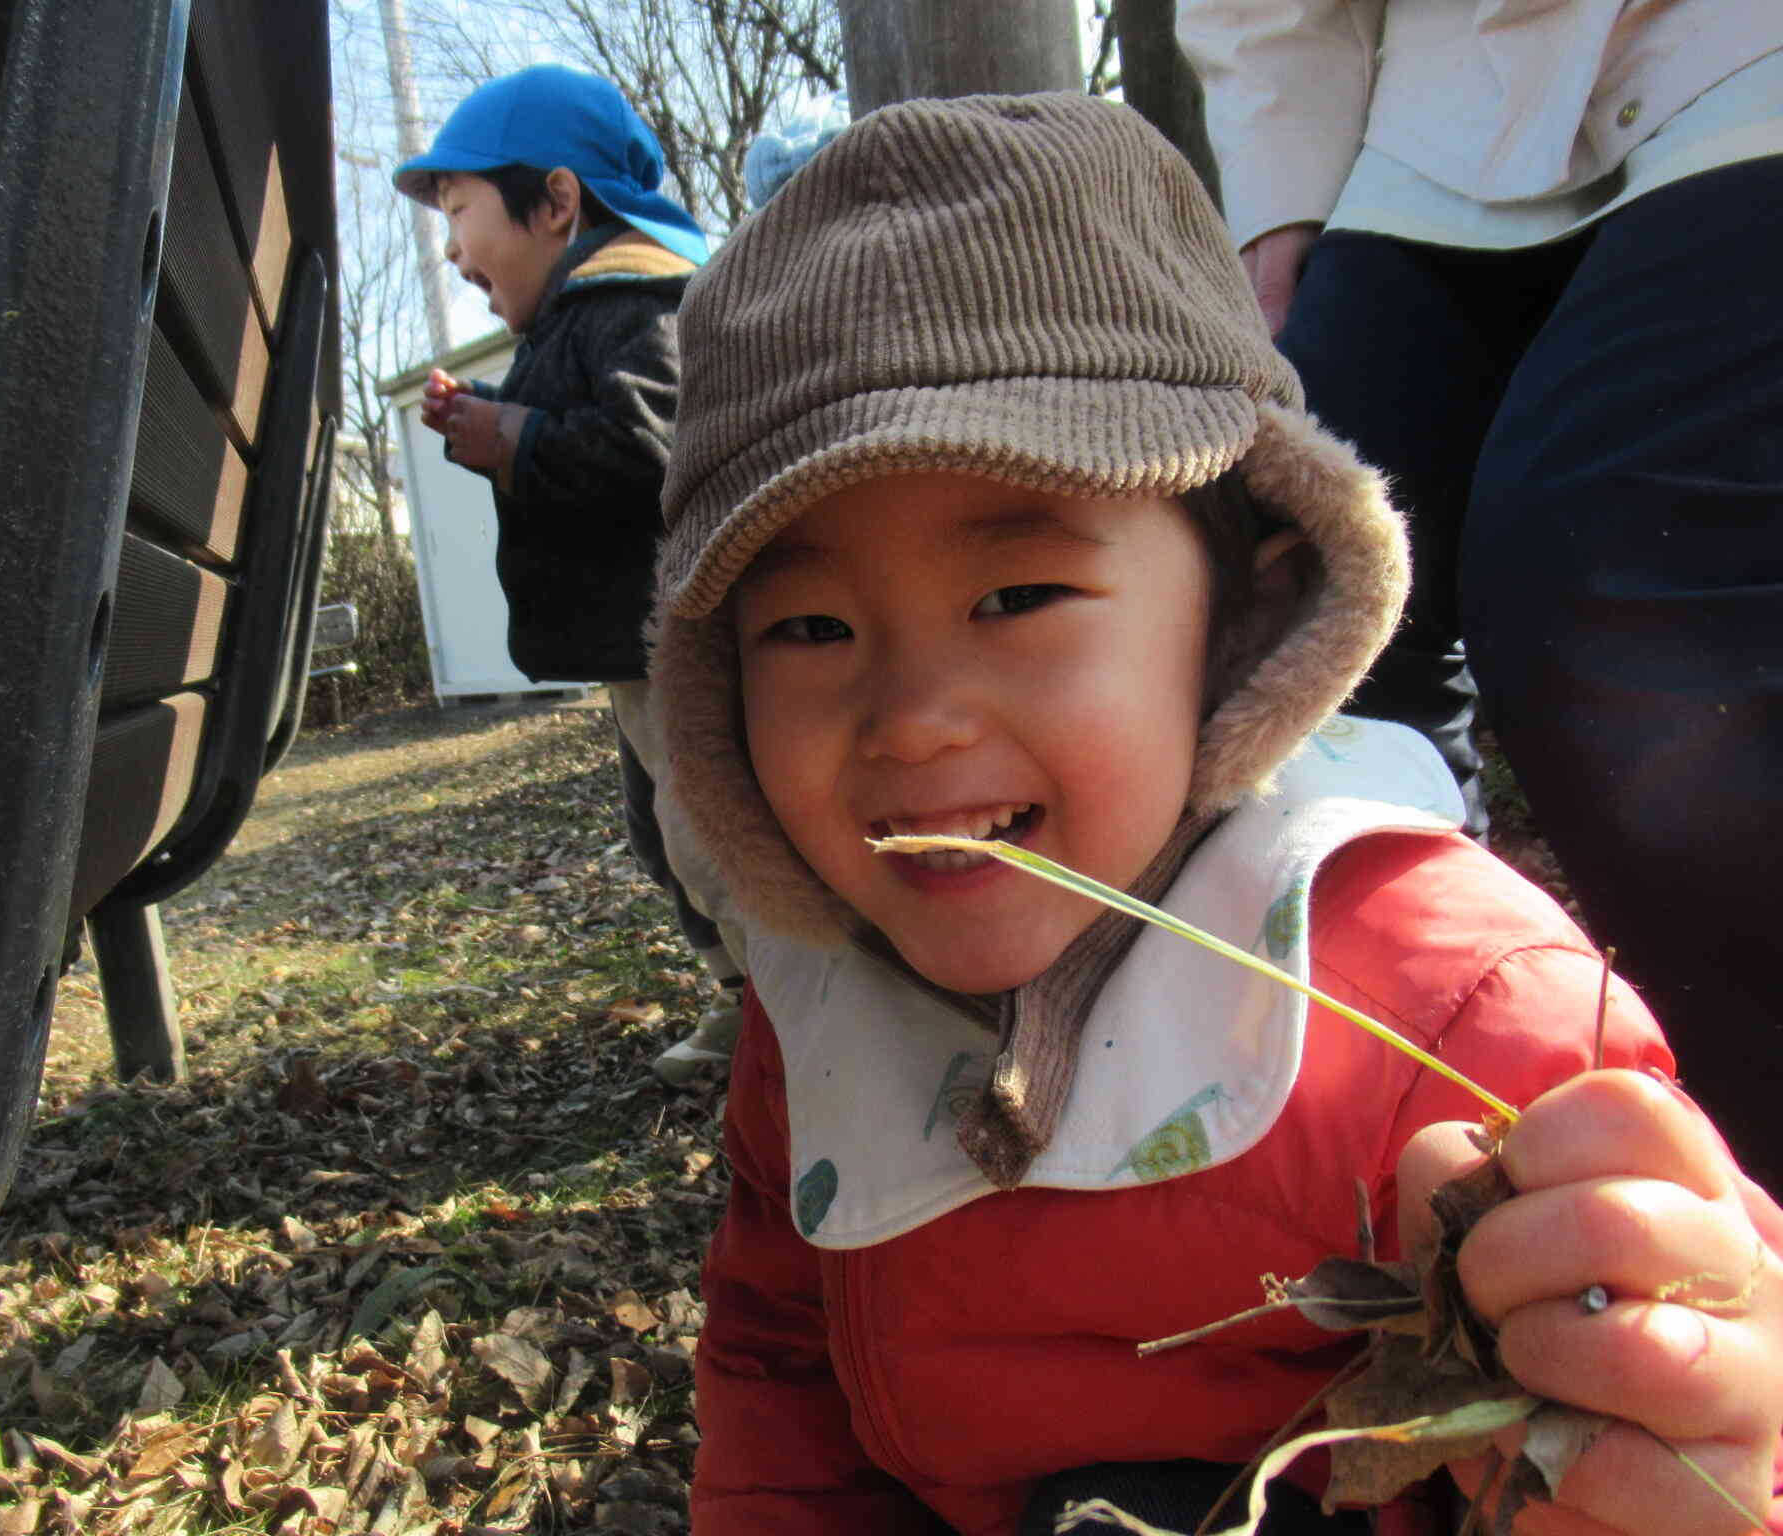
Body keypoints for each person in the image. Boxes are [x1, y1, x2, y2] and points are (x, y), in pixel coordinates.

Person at [642, 94, 1783, 1534]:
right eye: (807, 628)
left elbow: (1681, 1401)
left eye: (1017, 597)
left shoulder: (1470, 1019)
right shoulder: (807, 1027)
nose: (913, 716)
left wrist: (1687, 1435)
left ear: (1247, 610)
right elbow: (779, 1378)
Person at [1177, 3, 1783, 1191]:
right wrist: (1283, 195)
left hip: (1740, 63)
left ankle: (1745, 1190)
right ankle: (1438, 1091)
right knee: (1286, 593)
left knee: (1614, 578)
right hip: (1428, 131)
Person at [394, 64, 744, 1081]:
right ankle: (741, 1001)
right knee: (661, 830)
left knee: (708, 831)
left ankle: (788, 1008)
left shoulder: (634, 299)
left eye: (458, 212)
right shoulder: (573, 319)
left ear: (555, 201)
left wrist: (517, 438)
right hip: (630, 643)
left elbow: (658, 449)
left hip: (679, 638)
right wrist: (493, 422)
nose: (453, 249)